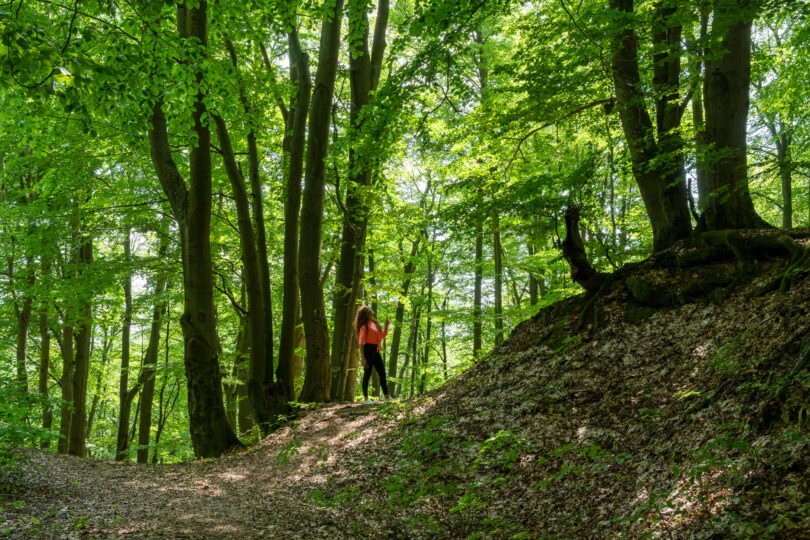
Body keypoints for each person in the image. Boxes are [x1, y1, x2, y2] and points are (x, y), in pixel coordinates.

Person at [355, 305, 391, 403]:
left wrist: (386, 326)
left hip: (376, 350)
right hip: (368, 350)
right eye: (370, 312)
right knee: (367, 374)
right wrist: (363, 357)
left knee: (382, 373)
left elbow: (381, 336)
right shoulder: (364, 327)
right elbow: (361, 343)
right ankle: (366, 399)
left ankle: (387, 397)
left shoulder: (374, 324)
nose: (372, 312)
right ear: (366, 314)